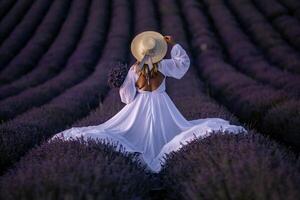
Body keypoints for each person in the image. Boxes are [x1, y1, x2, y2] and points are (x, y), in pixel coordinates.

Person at [50, 31, 247, 173]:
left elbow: (127, 98)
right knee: (174, 131)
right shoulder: (163, 65)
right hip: (162, 104)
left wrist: (121, 86)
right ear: (158, 51)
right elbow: (182, 64)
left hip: (139, 106)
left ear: (140, 51)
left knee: (124, 131)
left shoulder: (135, 69)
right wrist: (174, 44)